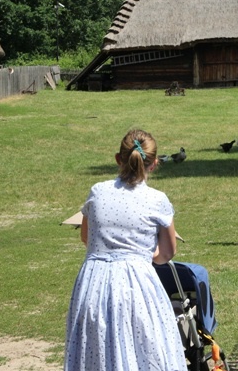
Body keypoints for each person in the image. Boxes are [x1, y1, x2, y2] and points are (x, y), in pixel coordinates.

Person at [64, 129, 185, 371]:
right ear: (154, 164)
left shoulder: (98, 191)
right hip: (137, 286)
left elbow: (87, 237)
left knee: (96, 352)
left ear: (119, 159)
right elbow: (167, 253)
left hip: (93, 285)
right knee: (144, 351)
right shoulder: (157, 200)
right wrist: (139, 256)